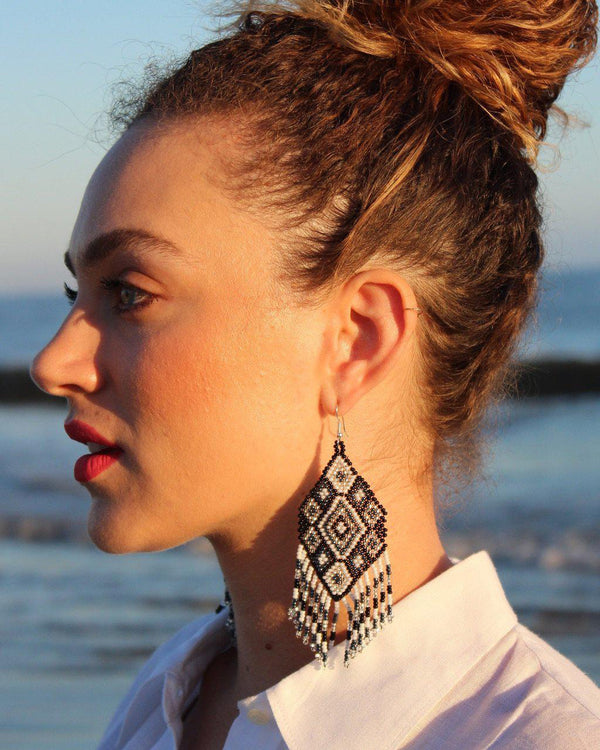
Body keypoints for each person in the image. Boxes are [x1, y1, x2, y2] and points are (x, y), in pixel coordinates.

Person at [29, 0, 600, 747]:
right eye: (81, 294)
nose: (51, 363)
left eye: (130, 294)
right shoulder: (164, 696)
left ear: (357, 340)